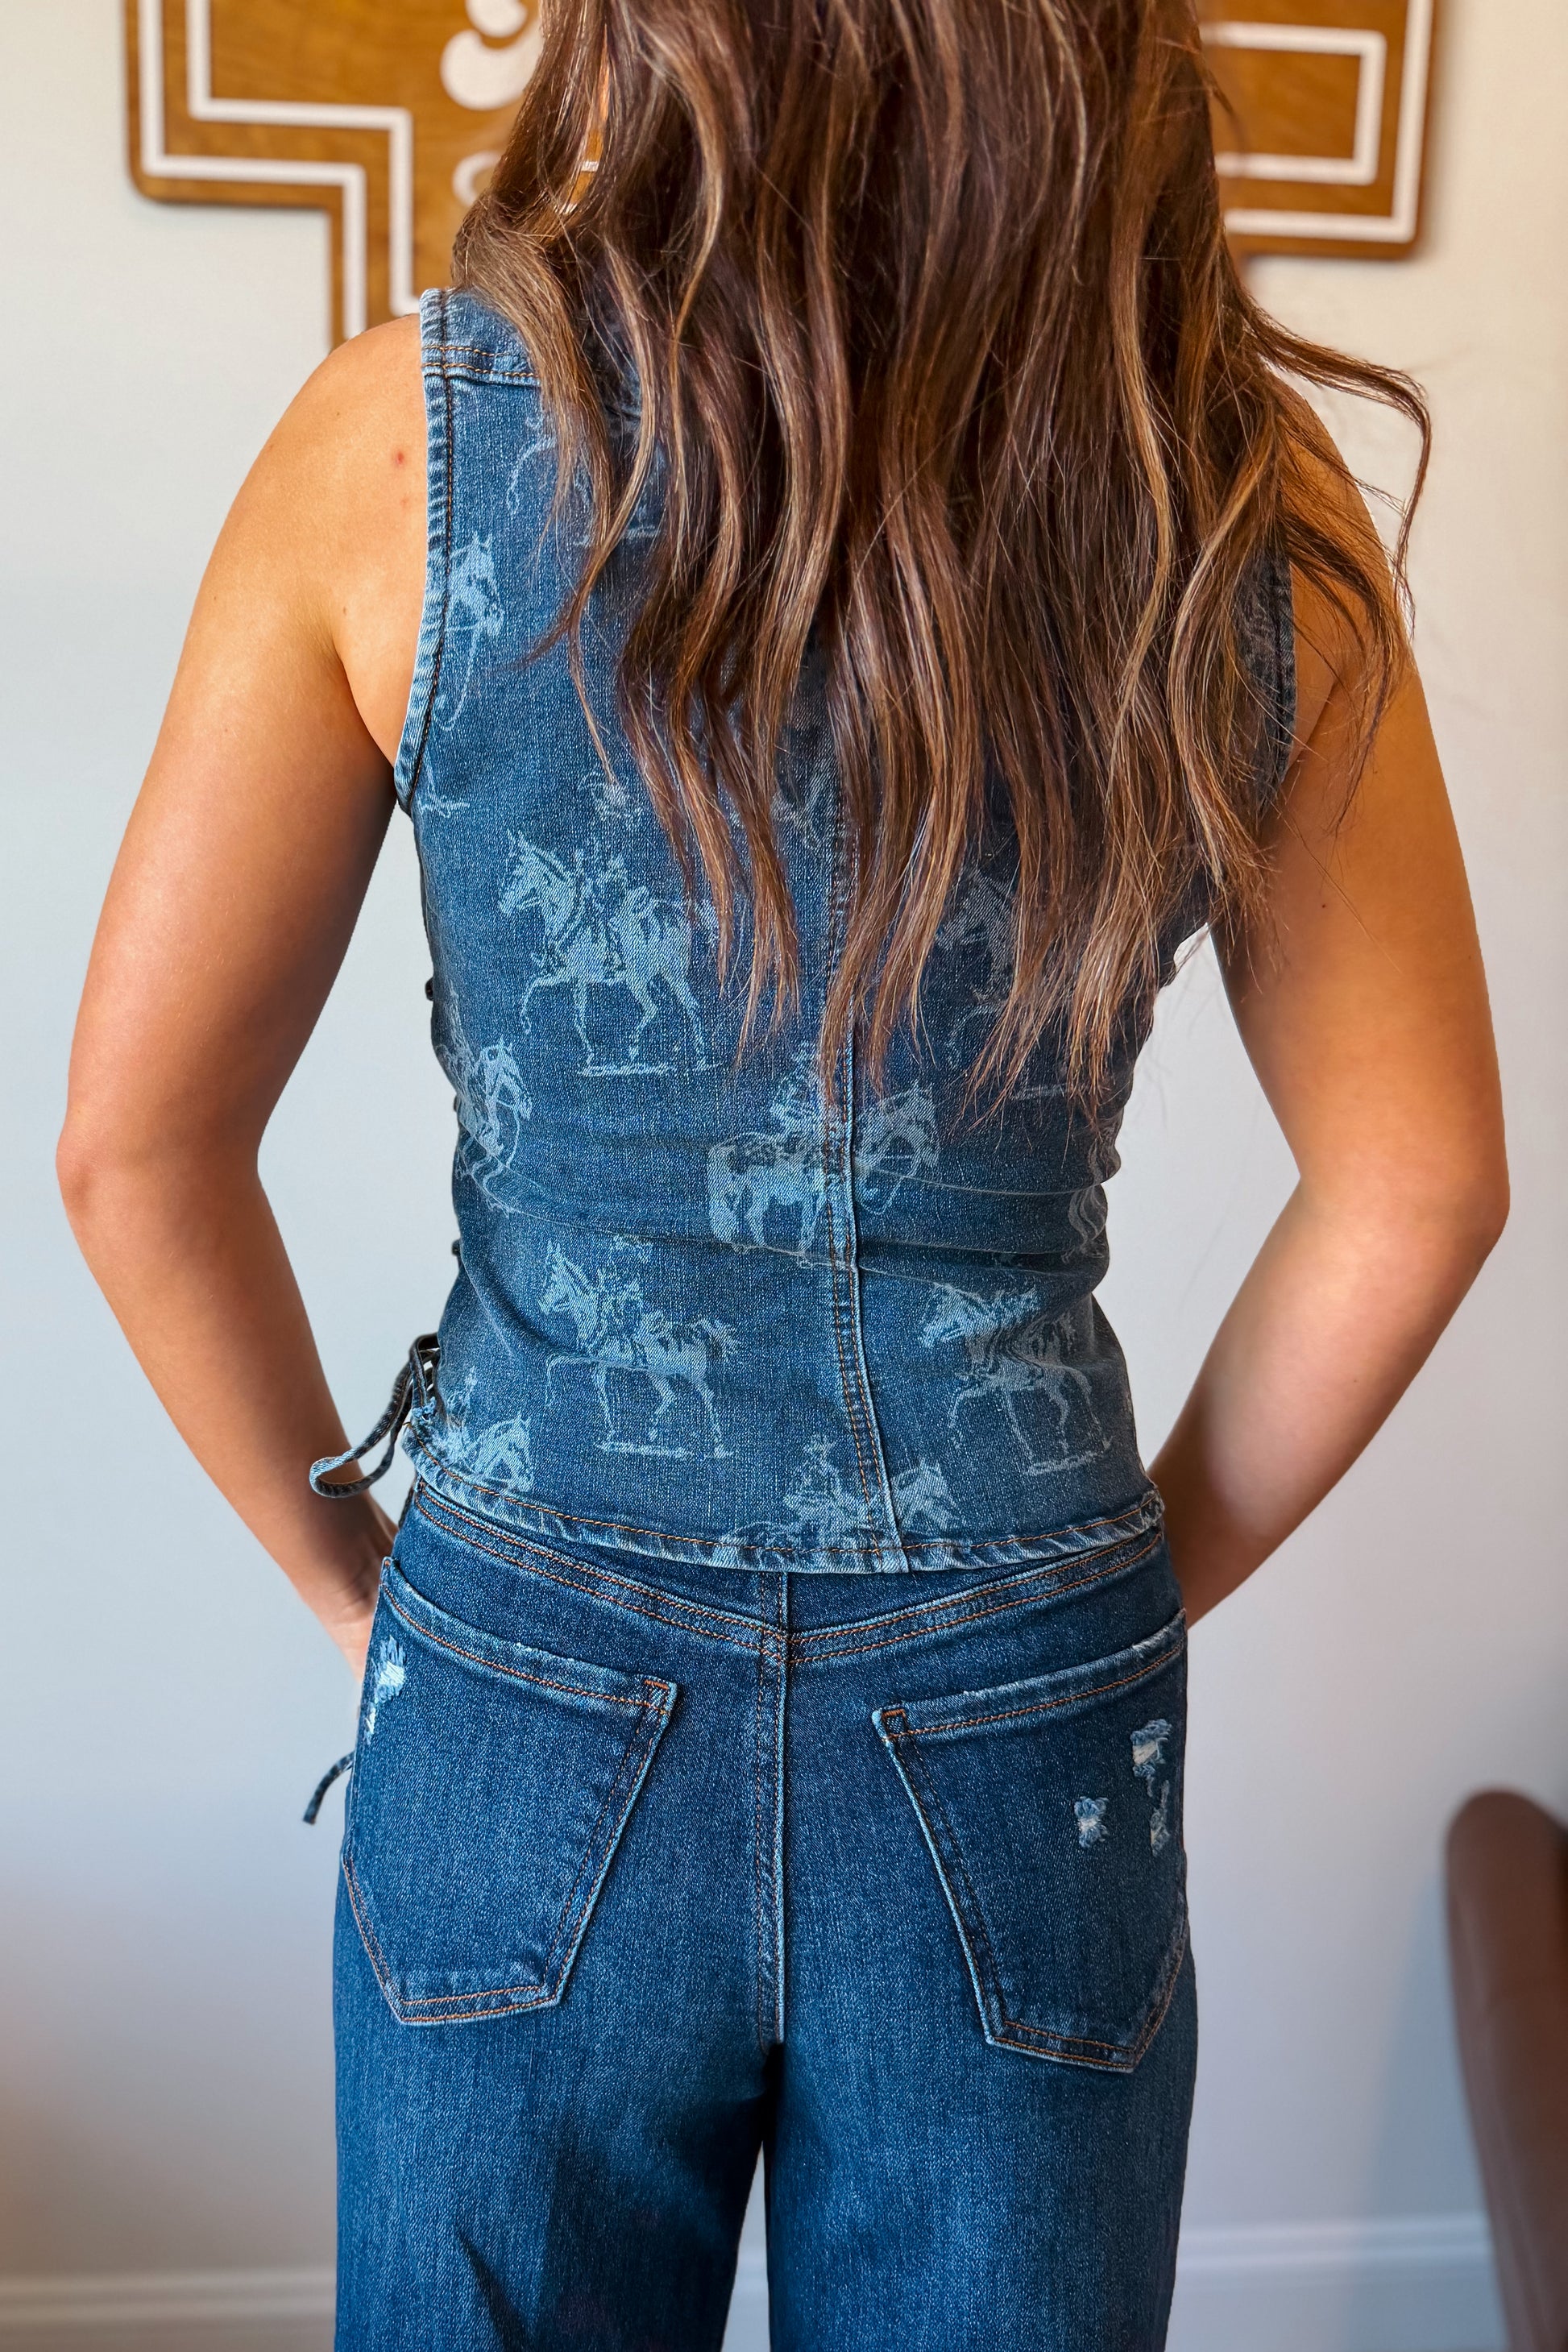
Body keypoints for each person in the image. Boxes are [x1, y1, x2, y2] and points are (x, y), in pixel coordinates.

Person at [58, 0, 1507, 2343]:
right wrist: (1111, 1577)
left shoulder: (395, 448)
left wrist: (363, 1585)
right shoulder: (1236, 496)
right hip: (1017, 1667)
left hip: (527, 1657)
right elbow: (1418, 1184)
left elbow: (134, 1148)